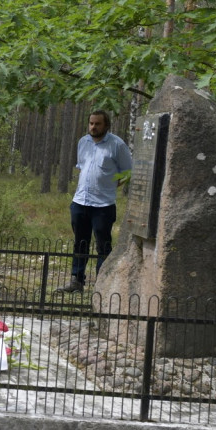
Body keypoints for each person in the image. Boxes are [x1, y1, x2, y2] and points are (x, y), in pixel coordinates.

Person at [57, 110, 133, 293]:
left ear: (106, 125)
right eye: (91, 123)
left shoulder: (117, 145)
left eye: (97, 124)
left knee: (103, 244)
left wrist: (112, 186)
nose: (93, 127)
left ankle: (102, 283)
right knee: (80, 242)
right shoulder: (83, 142)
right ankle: (77, 281)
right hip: (80, 201)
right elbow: (82, 167)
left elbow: (130, 170)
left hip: (103, 205)